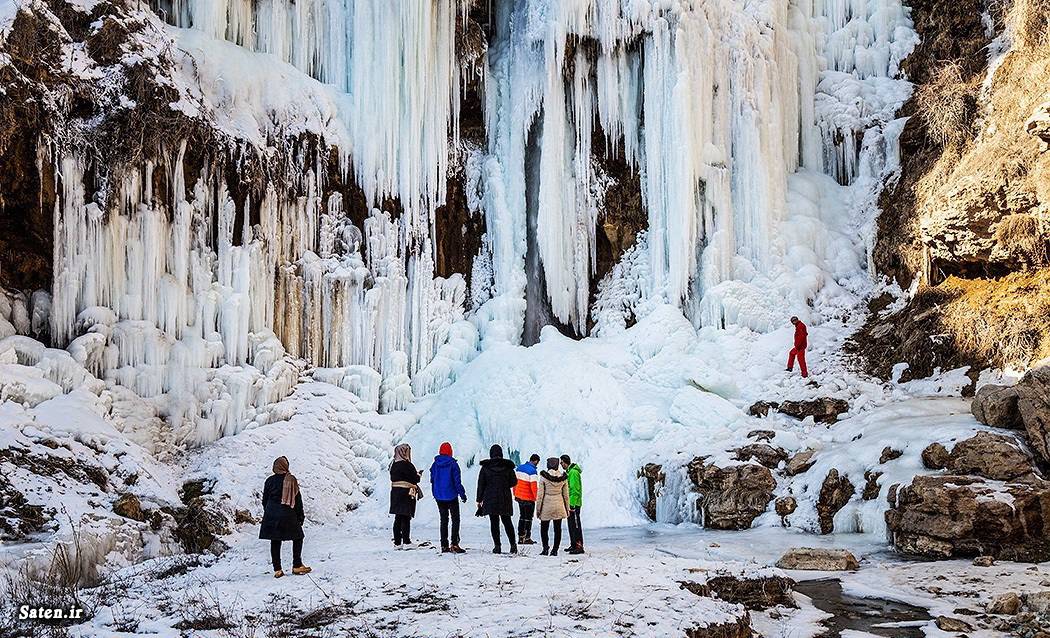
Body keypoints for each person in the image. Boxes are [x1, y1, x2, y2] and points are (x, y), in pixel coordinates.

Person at [259, 456, 311, 578]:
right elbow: (298, 500)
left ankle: (277, 570)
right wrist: (300, 517)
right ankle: (297, 565)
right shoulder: (291, 479)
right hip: (288, 513)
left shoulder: (269, 481)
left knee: (275, 540)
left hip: (271, 514)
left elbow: (265, 500)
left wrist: (269, 512)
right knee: (298, 537)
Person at [476, 444, 518, 554]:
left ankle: (497, 546)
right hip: (505, 497)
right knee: (507, 521)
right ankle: (513, 545)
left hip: (490, 497)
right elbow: (514, 482)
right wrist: (504, 484)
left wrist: (479, 499)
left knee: (494, 522)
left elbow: (481, 484)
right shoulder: (508, 467)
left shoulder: (485, 468)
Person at [429, 441, 467, 554]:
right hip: (451, 495)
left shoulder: (435, 464)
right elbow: (457, 482)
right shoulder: (453, 464)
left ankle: (444, 545)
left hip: (439, 496)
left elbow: (432, 479)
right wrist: (462, 494)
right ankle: (454, 544)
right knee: (455, 519)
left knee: (443, 520)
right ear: (450, 451)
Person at [390, 443, 422, 548]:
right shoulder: (407, 465)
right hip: (406, 493)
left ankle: (397, 542)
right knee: (406, 517)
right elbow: (415, 479)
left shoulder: (393, 464)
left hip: (395, 493)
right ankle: (407, 541)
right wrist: (418, 475)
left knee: (398, 517)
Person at [535, 457, 570, 556]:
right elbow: (566, 496)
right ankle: (555, 550)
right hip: (559, 505)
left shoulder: (544, 477)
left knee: (544, 528)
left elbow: (540, 496)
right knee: (557, 529)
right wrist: (567, 509)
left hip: (547, 506)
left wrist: (538, 510)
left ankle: (545, 548)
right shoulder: (563, 478)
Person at [513, 454, 540, 545]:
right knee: (528, 518)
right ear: (536, 461)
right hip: (529, 498)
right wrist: (536, 498)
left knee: (522, 517)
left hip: (519, 497)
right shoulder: (533, 471)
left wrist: (515, 494)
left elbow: (514, 482)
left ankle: (520, 538)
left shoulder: (519, 468)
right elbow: (533, 487)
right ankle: (527, 537)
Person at [561, 454, 584, 554]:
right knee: (571, 525)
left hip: (574, 504)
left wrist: (572, 505)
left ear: (566, 462)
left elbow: (575, 490)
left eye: (561, 462)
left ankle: (579, 546)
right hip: (570, 503)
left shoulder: (573, 472)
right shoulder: (569, 472)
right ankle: (574, 544)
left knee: (575, 524)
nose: (561, 464)